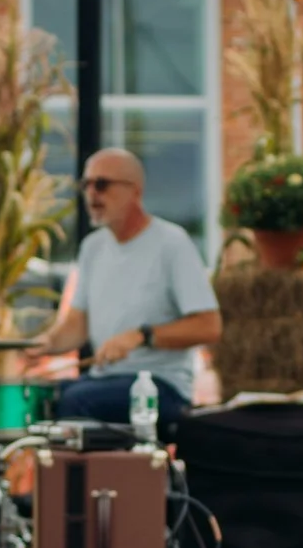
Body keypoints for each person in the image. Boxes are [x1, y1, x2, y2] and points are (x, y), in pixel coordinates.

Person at [24, 147, 220, 439]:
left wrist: (142, 335)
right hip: (102, 381)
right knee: (39, 397)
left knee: (76, 401)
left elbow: (209, 326)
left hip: (160, 386)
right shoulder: (93, 247)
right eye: (86, 185)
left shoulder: (172, 243)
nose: (92, 194)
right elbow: (77, 326)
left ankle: (85, 482)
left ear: (135, 192)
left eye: (102, 184)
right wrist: (45, 343)